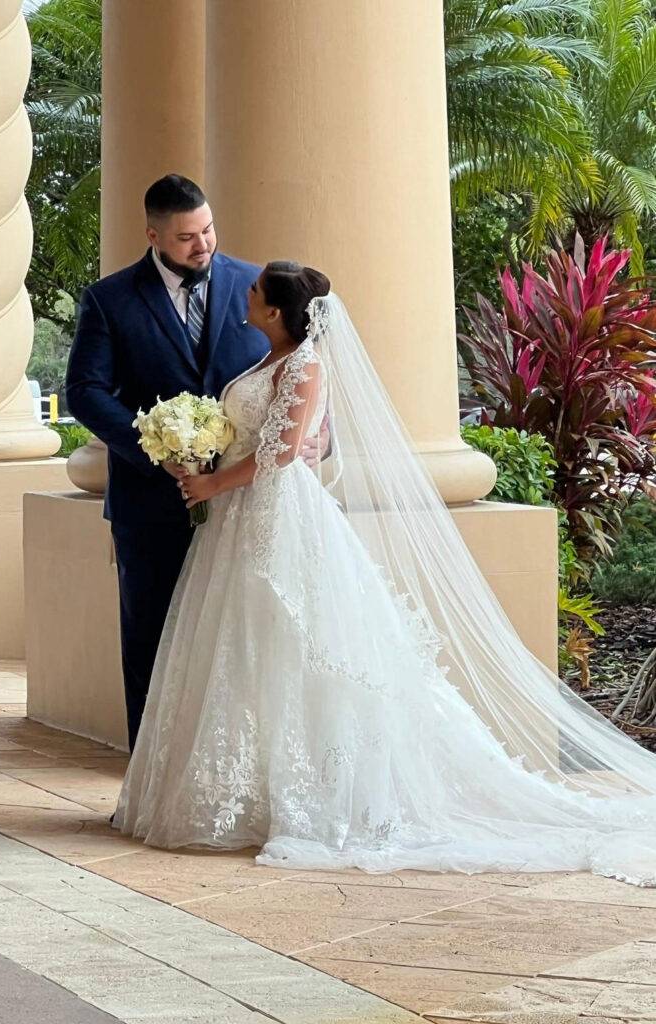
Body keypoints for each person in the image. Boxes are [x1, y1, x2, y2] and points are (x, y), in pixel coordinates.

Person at [114, 260, 656, 887]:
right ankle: (245, 794)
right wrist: (195, 452)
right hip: (236, 520)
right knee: (243, 648)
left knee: (298, 646)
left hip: (277, 518)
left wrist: (212, 479)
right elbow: (304, 441)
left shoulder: (305, 364)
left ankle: (316, 798)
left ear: (277, 311)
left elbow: (285, 451)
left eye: (258, 290)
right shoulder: (267, 360)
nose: (247, 292)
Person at [66, 176, 326, 751]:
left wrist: (316, 440)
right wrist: (155, 451)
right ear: (154, 235)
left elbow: (302, 378)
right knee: (153, 640)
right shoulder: (108, 300)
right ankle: (151, 778)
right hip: (150, 503)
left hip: (246, 508)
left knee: (243, 647)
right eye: (186, 237)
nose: (202, 244)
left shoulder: (258, 286)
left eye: (207, 229)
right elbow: (85, 391)